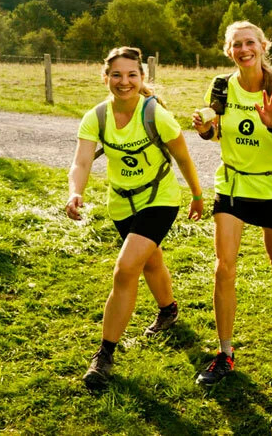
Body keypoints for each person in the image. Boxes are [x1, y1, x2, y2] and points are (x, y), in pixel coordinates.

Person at [66, 47, 204, 389]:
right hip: (121, 203)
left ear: (142, 78)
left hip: (160, 198)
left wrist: (197, 195)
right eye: (116, 74)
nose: (124, 81)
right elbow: (81, 162)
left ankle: (104, 356)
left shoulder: (156, 114)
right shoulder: (96, 117)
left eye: (131, 75)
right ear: (105, 77)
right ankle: (169, 310)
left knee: (126, 268)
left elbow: (184, 158)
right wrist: (75, 191)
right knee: (150, 261)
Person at [191, 21, 272, 385]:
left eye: (250, 42)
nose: (244, 49)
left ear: (263, 45)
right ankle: (225, 353)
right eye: (236, 44)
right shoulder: (221, 86)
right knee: (223, 267)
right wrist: (205, 130)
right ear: (229, 51)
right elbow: (217, 133)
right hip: (233, 185)